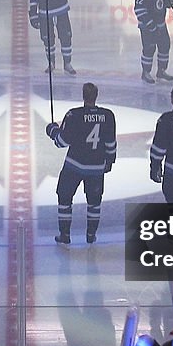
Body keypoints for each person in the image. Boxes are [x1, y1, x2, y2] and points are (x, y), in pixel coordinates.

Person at [46, 82, 116, 245]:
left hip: (74, 166)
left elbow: (62, 141)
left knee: (64, 198)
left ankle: (65, 235)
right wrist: (109, 162)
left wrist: (52, 130)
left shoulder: (73, 115)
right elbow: (111, 144)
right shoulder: (108, 115)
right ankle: (91, 235)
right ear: (96, 95)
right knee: (94, 202)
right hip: (96, 166)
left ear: (83, 95)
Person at [29, 0, 87, 75]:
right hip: (45, 15)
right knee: (47, 40)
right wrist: (33, 15)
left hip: (61, 11)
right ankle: (51, 63)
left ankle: (67, 64)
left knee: (66, 37)